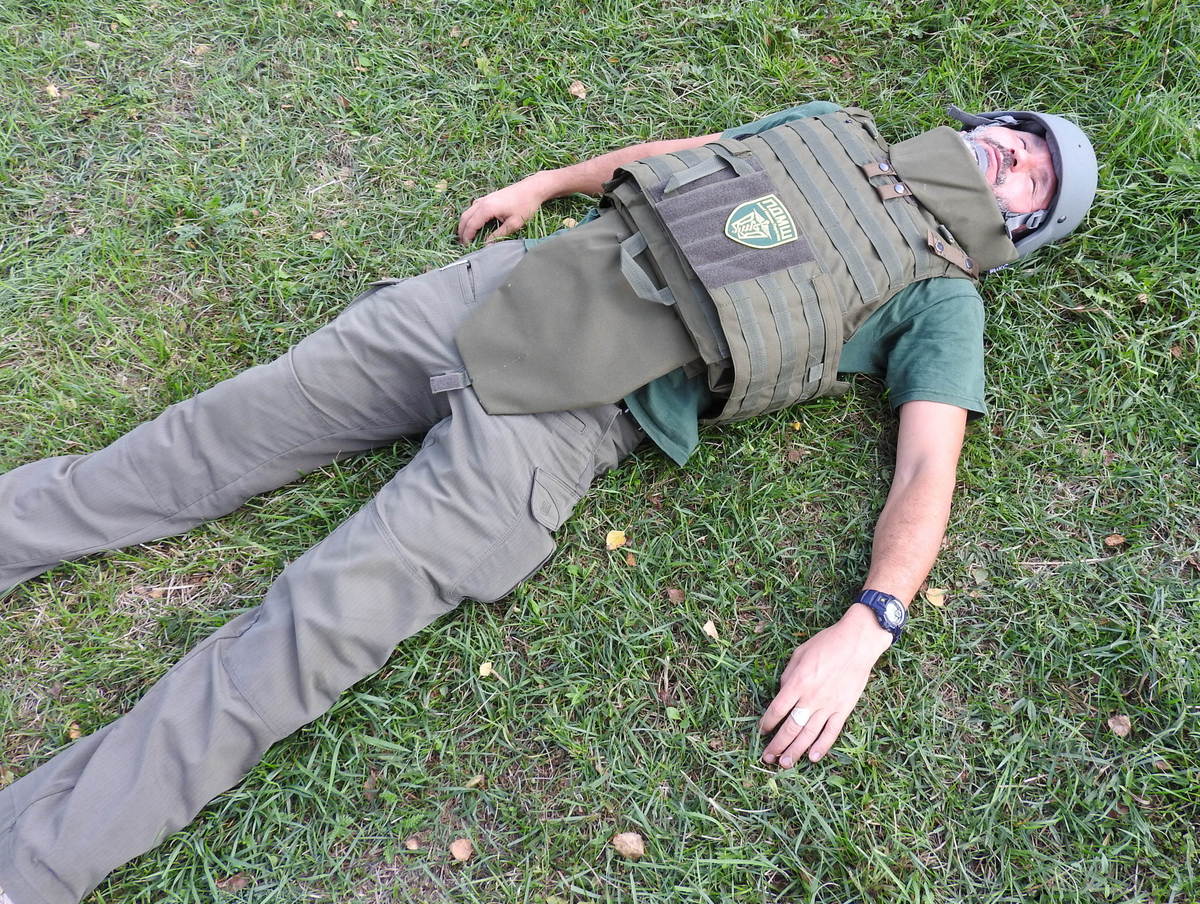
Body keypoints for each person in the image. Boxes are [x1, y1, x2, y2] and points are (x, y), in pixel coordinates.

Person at [0, 100, 1096, 904]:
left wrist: (870, 624)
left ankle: (32, 866)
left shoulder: (943, 301)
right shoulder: (836, 130)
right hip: (501, 292)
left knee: (303, 637)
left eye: (1035, 177)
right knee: (190, 446)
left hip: (564, 423)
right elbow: (688, 157)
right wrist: (549, 184)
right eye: (1021, 135)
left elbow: (927, 470)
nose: (1016, 155)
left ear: (1021, 230)